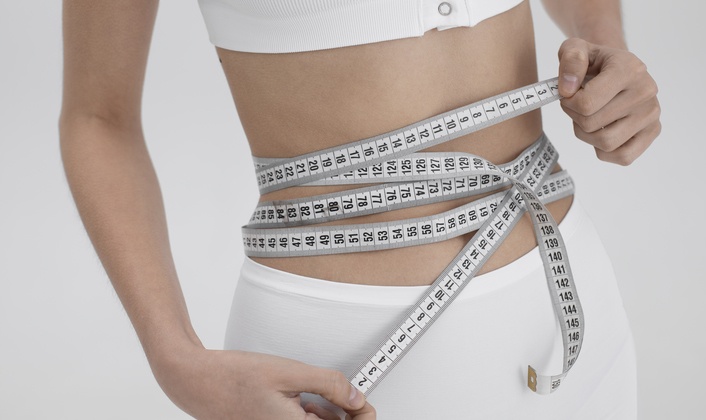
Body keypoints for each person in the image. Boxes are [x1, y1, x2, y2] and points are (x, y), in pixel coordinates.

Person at [60, 0, 660, 418]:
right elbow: (97, 117)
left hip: (574, 305)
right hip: (348, 360)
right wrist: (175, 361)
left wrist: (605, 43)